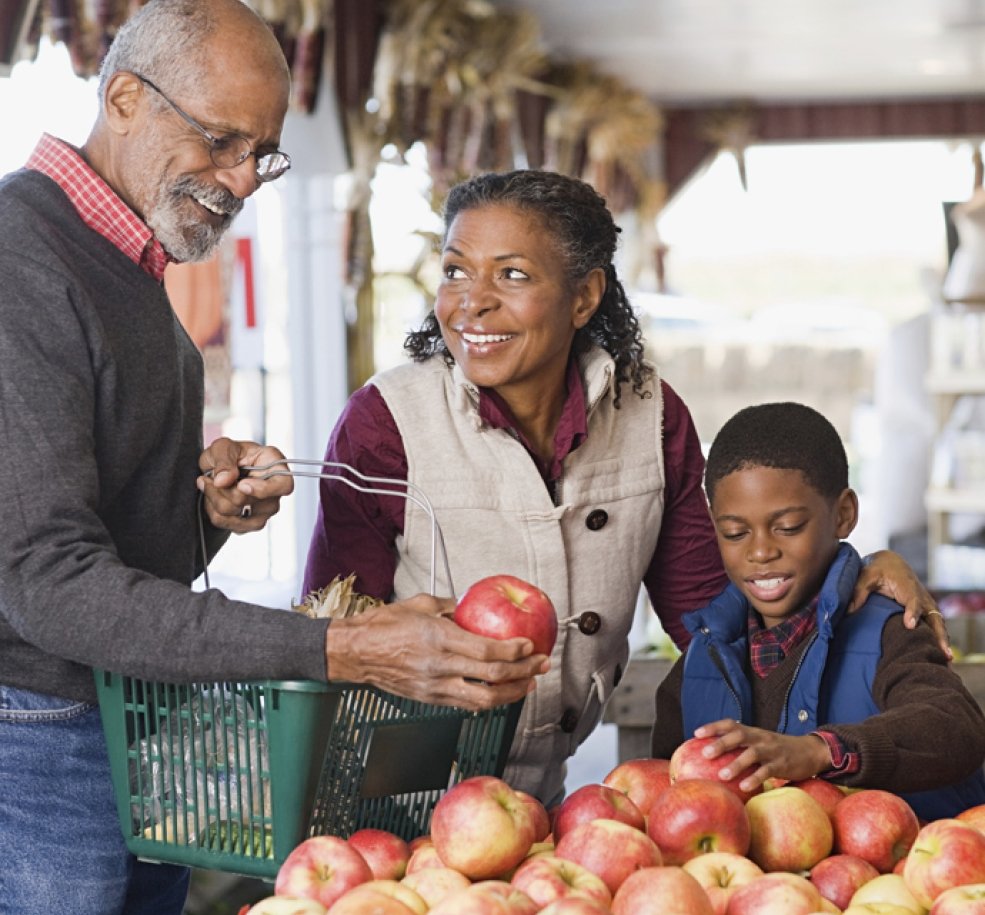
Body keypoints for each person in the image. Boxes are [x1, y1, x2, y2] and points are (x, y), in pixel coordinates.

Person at [0, 4, 542, 914]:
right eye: (222, 141)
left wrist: (202, 516)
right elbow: (46, 581)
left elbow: (101, 541)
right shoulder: (21, 259)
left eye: (263, 154)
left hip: (119, 727)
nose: (244, 179)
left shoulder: (124, 264)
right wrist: (343, 648)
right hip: (35, 739)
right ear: (124, 98)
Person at [303, 168, 944, 807]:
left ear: (584, 296)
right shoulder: (385, 423)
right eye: (455, 271)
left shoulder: (650, 417)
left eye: (513, 274)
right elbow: (329, 635)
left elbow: (720, 622)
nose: (472, 302)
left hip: (537, 805)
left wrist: (851, 573)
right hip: (387, 798)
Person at [650, 402, 985, 821]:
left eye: (788, 527)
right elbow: (666, 798)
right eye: (734, 533)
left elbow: (955, 727)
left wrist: (819, 751)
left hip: (911, 858)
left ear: (843, 515)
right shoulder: (699, 664)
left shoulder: (888, 631)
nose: (760, 551)